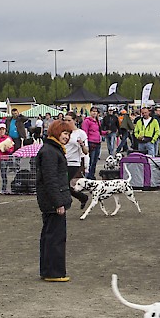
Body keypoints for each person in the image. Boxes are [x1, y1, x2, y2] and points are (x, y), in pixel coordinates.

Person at [36, 121, 73, 282]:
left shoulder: (52, 149)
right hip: (53, 202)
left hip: (51, 200)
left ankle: (49, 270)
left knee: (50, 236)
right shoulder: (50, 151)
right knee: (55, 237)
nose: (67, 137)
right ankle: (54, 272)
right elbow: (50, 179)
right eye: (64, 133)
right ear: (56, 132)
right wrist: (58, 203)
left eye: (68, 134)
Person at [63, 116, 90, 206]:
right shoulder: (63, 132)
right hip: (62, 160)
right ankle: (82, 197)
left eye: (69, 120)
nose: (66, 122)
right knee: (63, 184)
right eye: (65, 120)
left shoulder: (80, 133)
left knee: (64, 184)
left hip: (73, 162)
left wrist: (82, 145)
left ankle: (66, 202)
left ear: (75, 120)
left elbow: (86, 151)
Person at [0, 124, 18, 195]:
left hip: (4, 159)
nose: (1, 131)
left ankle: (4, 189)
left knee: (4, 174)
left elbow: (11, 149)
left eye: (3, 129)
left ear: (5, 130)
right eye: (0, 129)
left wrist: (7, 150)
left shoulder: (8, 139)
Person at [82, 109, 102, 179]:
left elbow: (99, 131)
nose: (94, 113)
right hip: (91, 143)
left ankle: (92, 175)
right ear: (90, 112)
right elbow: (84, 133)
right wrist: (85, 144)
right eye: (93, 111)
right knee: (90, 160)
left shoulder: (97, 121)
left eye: (96, 111)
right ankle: (88, 176)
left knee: (95, 161)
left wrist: (106, 132)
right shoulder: (87, 121)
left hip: (98, 142)